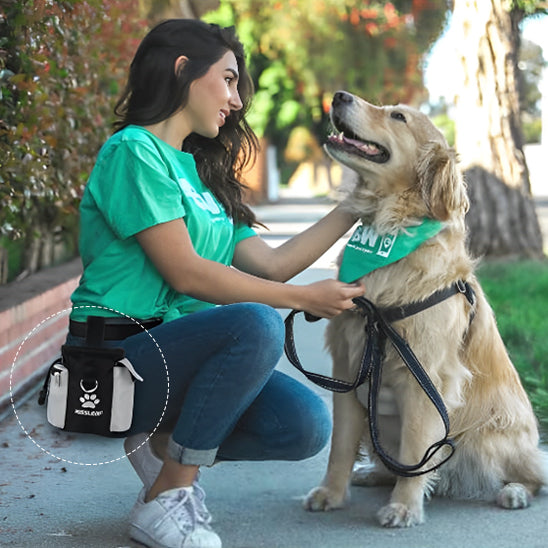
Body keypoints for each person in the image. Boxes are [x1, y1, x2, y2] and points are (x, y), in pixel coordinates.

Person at [67, 18, 363, 548]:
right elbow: (186, 272)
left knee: (303, 426)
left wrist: (357, 205)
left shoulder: (200, 177)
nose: (236, 99)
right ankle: (168, 497)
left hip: (172, 357)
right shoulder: (133, 152)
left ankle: (162, 453)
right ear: (184, 70)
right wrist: (301, 300)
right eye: (227, 80)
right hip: (113, 362)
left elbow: (272, 266)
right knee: (254, 323)